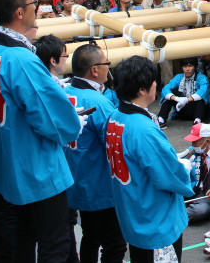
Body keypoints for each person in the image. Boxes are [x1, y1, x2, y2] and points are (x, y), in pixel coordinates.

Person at [0, 0, 83, 261]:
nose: (37, 7)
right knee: (54, 243)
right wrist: (74, 123)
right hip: (36, 168)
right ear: (20, 12)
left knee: (21, 240)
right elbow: (56, 119)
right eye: (34, 2)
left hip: (6, 164)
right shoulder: (19, 59)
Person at [106, 56, 194, 262]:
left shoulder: (115, 116)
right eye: (154, 81)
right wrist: (184, 166)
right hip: (154, 218)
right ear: (143, 89)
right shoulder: (143, 128)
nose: (157, 85)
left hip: (133, 209)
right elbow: (169, 174)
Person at [64, 44, 127, 263]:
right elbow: (116, 143)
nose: (108, 69)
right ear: (94, 70)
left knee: (90, 237)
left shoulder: (65, 92)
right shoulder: (98, 102)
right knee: (115, 245)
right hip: (100, 187)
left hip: (76, 181)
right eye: (106, 64)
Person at [158, 56, 210, 128]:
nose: (187, 69)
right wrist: (177, 99)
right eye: (185, 66)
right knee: (170, 92)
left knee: (200, 98)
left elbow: (203, 91)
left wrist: (186, 100)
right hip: (181, 108)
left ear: (195, 67)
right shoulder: (178, 77)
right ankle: (161, 120)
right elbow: (166, 89)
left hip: (198, 110)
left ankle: (197, 121)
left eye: (190, 66)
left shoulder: (202, 78)